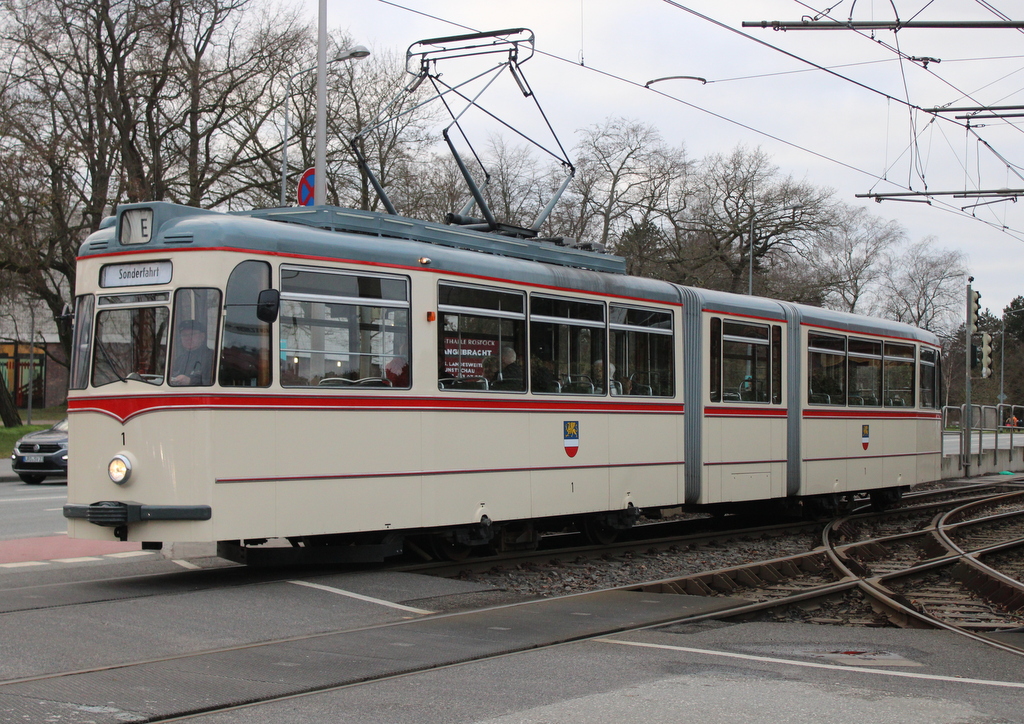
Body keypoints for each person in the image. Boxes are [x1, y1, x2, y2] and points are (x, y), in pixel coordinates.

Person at [170, 319, 215, 386]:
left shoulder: (212, 357)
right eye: (184, 335)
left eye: (192, 334)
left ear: (202, 337)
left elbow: (212, 381)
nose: (188, 338)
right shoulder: (180, 359)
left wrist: (190, 381)